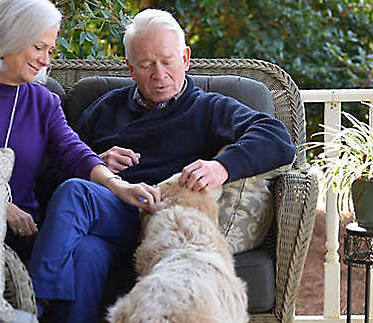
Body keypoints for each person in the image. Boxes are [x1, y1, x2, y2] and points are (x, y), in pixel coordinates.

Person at [27, 8, 296, 323]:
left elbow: (276, 138)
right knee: (82, 229)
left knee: (80, 219)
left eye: (167, 62)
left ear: (185, 57)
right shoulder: (105, 110)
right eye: (146, 65)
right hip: (115, 214)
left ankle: (31, 306)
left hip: (163, 221)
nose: (159, 74)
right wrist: (96, 165)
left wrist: (220, 167)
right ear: (130, 68)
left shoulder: (209, 108)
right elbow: (51, 176)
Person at [0, 0, 158, 261]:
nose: (45, 60)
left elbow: (72, 151)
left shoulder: (43, 101)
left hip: (26, 235)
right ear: (8, 37)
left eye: (50, 51)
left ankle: (38, 297)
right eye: (38, 47)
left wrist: (117, 185)